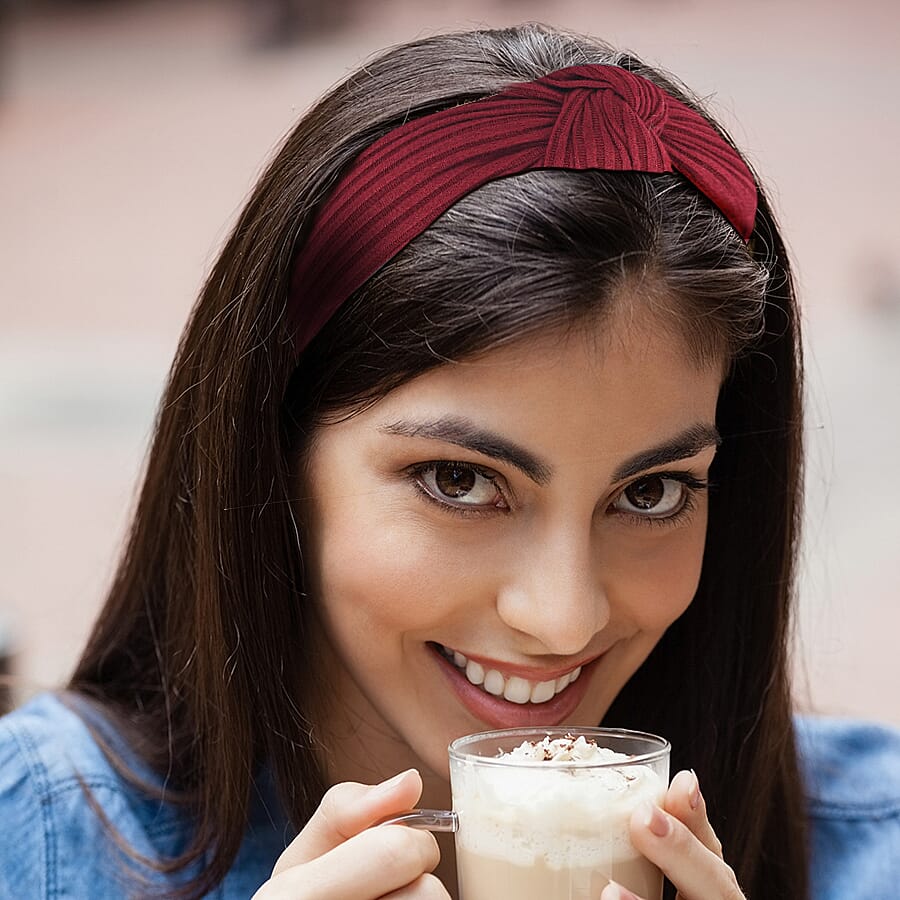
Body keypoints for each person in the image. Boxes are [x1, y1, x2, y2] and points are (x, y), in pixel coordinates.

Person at [1, 22, 899, 900]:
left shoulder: (872, 846)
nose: (560, 619)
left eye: (652, 492)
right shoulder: (42, 842)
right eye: (460, 482)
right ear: (271, 453)